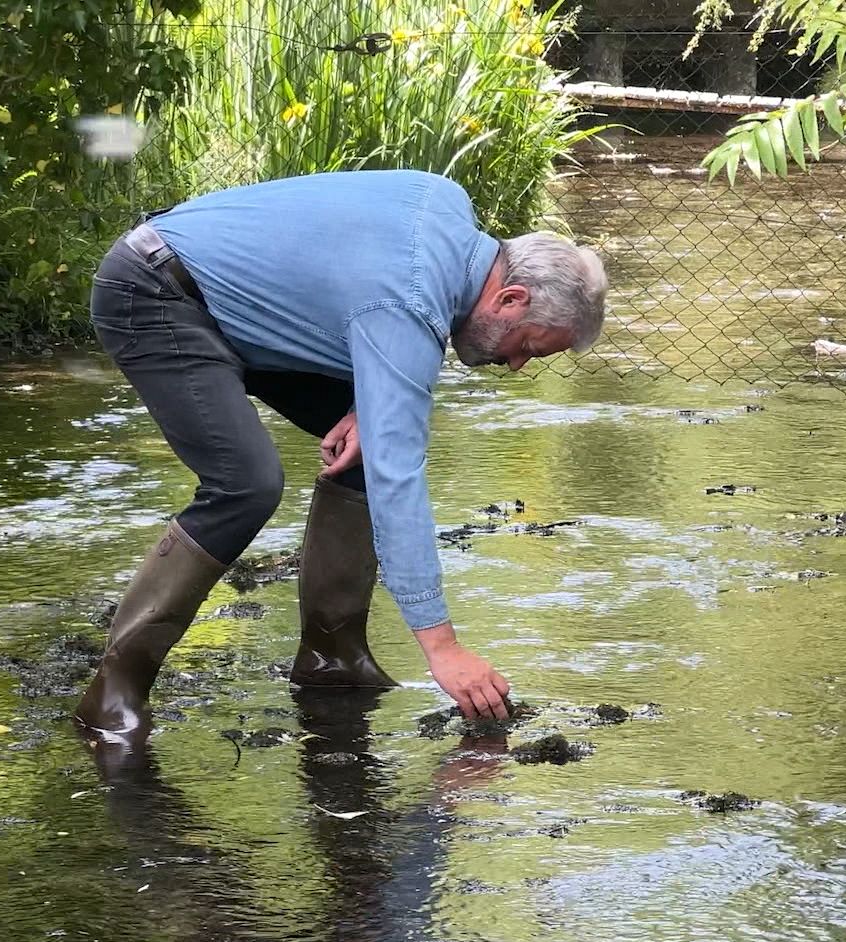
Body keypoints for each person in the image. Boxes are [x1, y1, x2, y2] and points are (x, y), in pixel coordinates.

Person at [75, 169, 608, 763]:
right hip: (154, 291)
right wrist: (444, 647)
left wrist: (364, 402)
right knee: (247, 485)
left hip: (241, 307)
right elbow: (397, 476)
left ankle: (331, 656)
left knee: (365, 448)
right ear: (511, 299)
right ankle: (112, 696)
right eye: (530, 347)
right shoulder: (408, 304)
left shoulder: (448, 202)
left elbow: (347, 276)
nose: (516, 367)